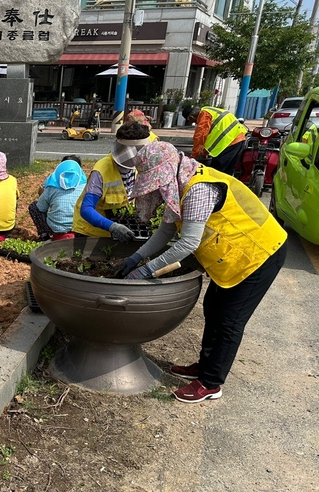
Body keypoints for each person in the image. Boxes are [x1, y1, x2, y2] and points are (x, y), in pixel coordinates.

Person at [114, 141, 287, 403]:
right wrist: (136, 257)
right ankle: (204, 367)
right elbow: (166, 232)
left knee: (229, 320)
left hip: (259, 254)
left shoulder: (198, 190)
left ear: (167, 172)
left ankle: (210, 383)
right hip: (231, 257)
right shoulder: (180, 183)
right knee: (213, 308)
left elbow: (188, 243)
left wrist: (146, 271)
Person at [73, 123, 151, 240]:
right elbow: (86, 209)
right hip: (91, 232)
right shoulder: (101, 170)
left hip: (118, 229)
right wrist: (112, 227)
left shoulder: (137, 167)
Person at [28, 155, 87, 240]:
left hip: (56, 229)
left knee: (34, 207)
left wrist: (42, 194)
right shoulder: (85, 186)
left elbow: (41, 208)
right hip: (80, 228)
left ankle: (45, 236)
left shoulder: (52, 186)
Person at [182, 105, 247, 175]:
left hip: (228, 143)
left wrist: (194, 157)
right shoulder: (209, 110)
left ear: (191, 117)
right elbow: (213, 136)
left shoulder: (204, 115)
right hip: (239, 139)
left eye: (191, 121)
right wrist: (204, 152)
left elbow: (200, 136)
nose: (194, 123)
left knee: (216, 173)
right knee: (228, 173)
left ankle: (216, 186)